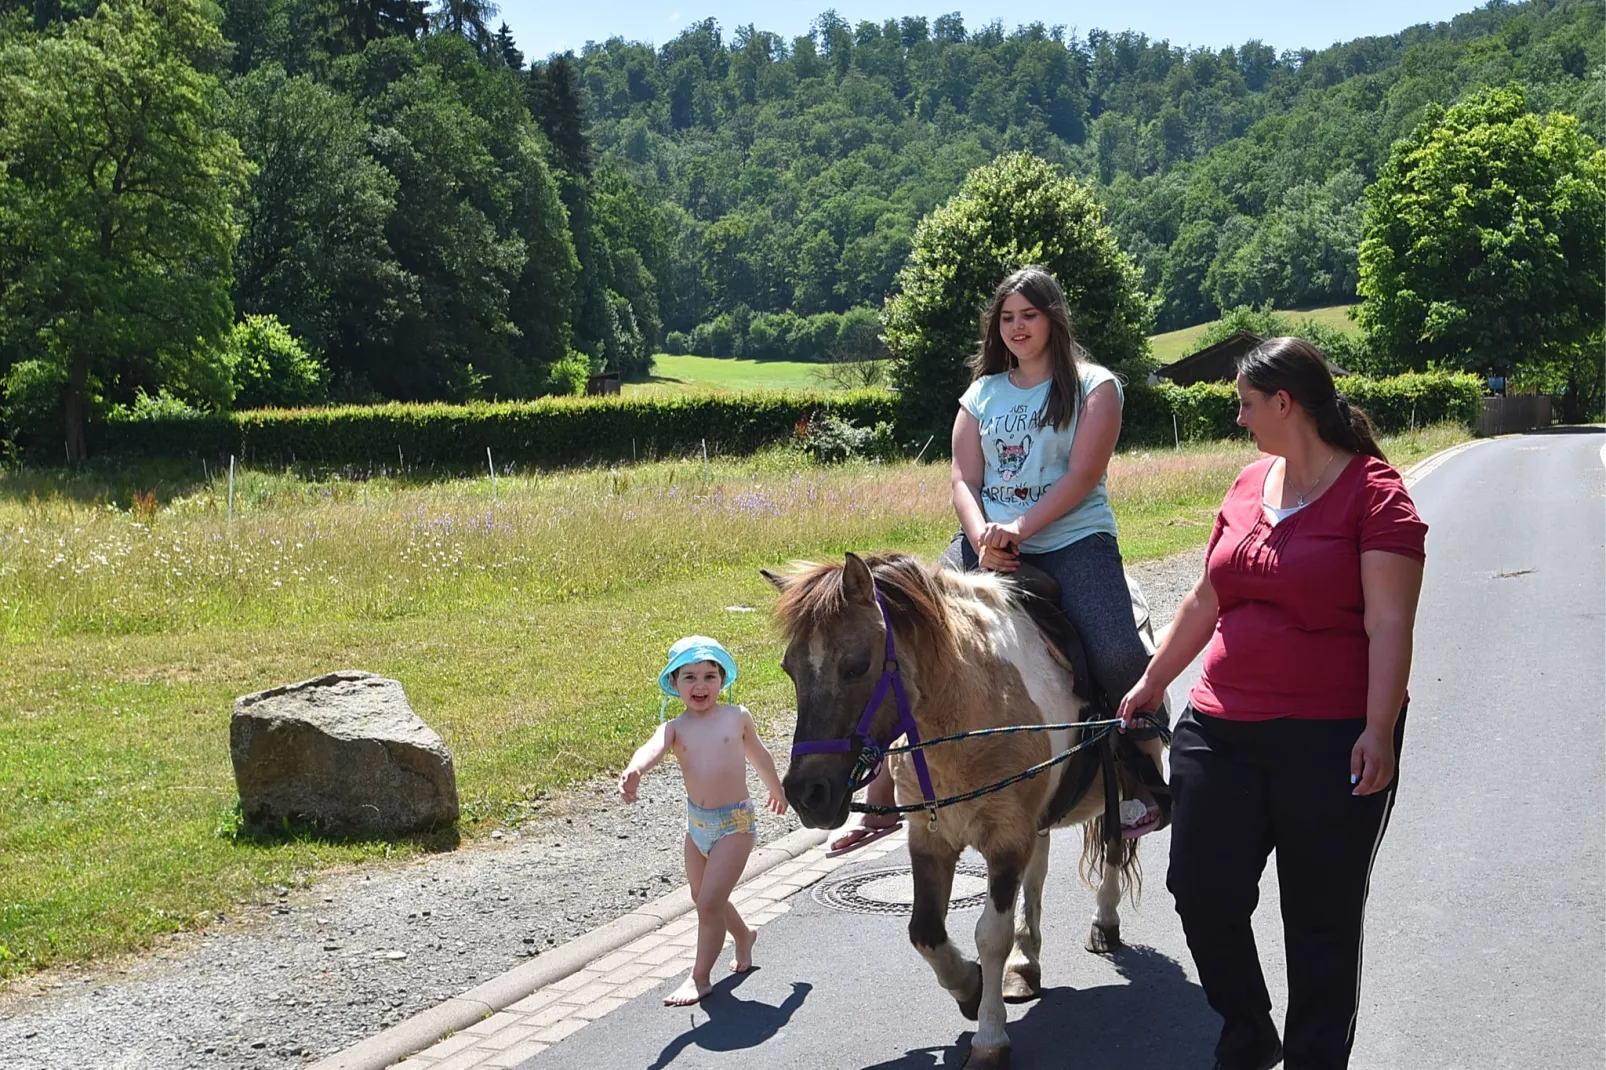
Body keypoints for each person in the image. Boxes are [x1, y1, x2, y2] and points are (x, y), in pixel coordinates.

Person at [1116, 337, 1427, 1070]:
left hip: (1333, 738)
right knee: (1199, 887)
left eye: (1246, 404)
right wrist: (1155, 679)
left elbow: (1390, 623)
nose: (1239, 418)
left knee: (1320, 923)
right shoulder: (1248, 483)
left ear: (1284, 403)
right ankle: (1249, 1027)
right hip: (1223, 726)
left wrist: (1378, 728)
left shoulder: (1376, 496)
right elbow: (1205, 597)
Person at [829, 265, 1170, 854]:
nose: (1017, 327)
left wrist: (1020, 527)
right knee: (902, 635)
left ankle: (1142, 776)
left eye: (1029, 315)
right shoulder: (981, 394)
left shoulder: (1096, 386)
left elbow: (1085, 475)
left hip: (1073, 541)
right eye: (1007, 318)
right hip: (983, 538)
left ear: (1053, 319)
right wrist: (984, 534)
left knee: (1117, 651)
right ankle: (885, 787)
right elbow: (963, 476)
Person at [619, 636, 788, 1006]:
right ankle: (743, 936)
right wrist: (635, 771)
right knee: (702, 897)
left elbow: (759, 755)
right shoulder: (675, 728)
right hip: (697, 826)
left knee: (709, 903)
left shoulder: (736, 716)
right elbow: (651, 749)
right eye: (690, 677)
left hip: (736, 823)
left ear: (722, 680)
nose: (700, 686)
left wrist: (777, 788)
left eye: (710, 676)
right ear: (674, 684)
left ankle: (699, 978)